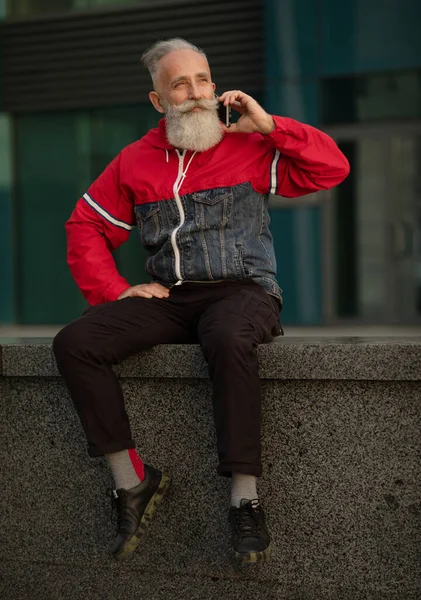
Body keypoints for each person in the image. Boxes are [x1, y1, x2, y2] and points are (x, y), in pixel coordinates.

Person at [53, 37, 349, 564]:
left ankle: (245, 497)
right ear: (158, 99)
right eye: (180, 84)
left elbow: (332, 169)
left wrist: (270, 125)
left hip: (243, 291)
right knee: (76, 341)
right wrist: (115, 290)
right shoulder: (135, 160)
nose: (195, 93)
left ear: (215, 86)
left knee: (227, 334)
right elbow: (87, 224)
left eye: (203, 80)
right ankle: (132, 482)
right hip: (171, 298)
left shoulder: (251, 145)